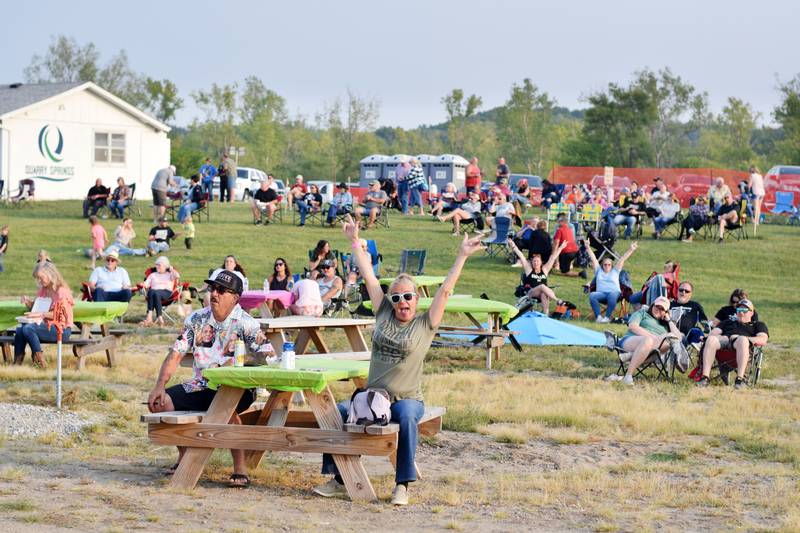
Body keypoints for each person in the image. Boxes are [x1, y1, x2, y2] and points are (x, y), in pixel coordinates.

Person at [314, 215, 485, 505]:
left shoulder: (424, 324)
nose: (401, 302)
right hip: (373, 397)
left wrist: (462, 256)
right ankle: (340, 477)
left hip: (407, 399)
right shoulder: (383, 312)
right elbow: (368, 275)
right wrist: (355, 241)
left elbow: (445, 290)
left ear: (416, 299)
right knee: (336, 413)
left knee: (406, 417)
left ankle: (402, 484)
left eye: (407, 297)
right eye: (396, 298)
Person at [147, 269, 273, 487]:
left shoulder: (247, 323)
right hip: (201, 385)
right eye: (213, 288)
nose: (215, 294)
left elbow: (269, 356)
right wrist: (160, 385)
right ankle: (186, 457)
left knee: (226, 407)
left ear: (235, 297)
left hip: (237, 388)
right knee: (161, 403)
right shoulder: (197, 319)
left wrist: (245, 362)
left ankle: (240, 467)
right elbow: (176, 353)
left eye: (221, 290)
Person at [696, 299, 768, 389]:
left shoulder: (758, 325)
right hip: (724, 344)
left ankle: (739, 379)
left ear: (751, 313)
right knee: (711, 340)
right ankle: (705, 378)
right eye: (739, 310)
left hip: (741, 345)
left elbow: (763, 339)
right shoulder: (728, 322)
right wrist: (718, 337)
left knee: (742, 340)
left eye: (744, 310)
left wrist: (741, 337)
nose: (741, 313)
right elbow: (713, 333)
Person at [13, 261, 74, 368]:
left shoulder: (61, 291)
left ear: (50, 274)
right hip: (46, 326)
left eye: (41, 278)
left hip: (61, 329)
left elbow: (60, 315)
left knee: (28, 329)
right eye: (37, 278)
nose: (39, 281)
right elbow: (37, 308)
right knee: (20, 329)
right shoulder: (43, 290)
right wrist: (28, 302)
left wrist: (39, 314)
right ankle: (18, 362)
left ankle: (40, 363)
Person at [616, 296, 682, 385]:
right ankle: (628, 376)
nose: (659, 310)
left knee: (668, 343)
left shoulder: (666, 325)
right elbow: (633, 326)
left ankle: (631, 356)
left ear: (666, 312)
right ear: (652, 305)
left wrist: (669, 320)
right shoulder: (642, 313)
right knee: (649, 340)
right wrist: (654, 338)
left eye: (662, 309)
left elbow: (678, 338)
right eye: (657, 306)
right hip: (631, 341)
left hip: (651, 351)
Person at [585, 238, 638, 322]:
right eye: (605, 265)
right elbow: (594, 259)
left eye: (609, 265)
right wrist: (588, 247)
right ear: (602, 265)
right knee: (592, 295)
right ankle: (598, 317)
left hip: (615, 295)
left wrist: (631, 249)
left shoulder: (615, 271)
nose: (607, 266)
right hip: (601, 294)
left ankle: (606, 318)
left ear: (611, 265)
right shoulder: (598, 271)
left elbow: (622, 259)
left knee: (612, 294)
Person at [508, 239, 568, 315]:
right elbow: (521, 256)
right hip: (530, 292)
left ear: (541, 263)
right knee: (542, 286)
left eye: (537, 261)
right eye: (534, 261)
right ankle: (557, 300)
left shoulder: (545, 270)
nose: (535, 263)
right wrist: (513, 246)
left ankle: (546, 315)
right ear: (532, 263)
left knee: (543, 293)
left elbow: (552, 258)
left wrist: (561, 247)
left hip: (542, 294)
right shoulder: (529, 270)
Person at [141, 256, 180, 327]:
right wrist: (142, 285)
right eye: (156, 265)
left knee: (155, 292)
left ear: (165, 266)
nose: (157, 267)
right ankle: (158, 318)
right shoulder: (152, 275)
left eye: (159, 265)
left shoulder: (170, 275)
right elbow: (146, 284)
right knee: (152, 291)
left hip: (166, 294)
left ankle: (150, 317)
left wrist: (172, 270)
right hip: (154, 294)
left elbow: (177, 276)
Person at [748, 166, 765, 235]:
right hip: (762, 193)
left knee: (755, 207)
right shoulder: (760, 176)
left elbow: (749, 185)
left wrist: (747, 190)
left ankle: (755, 220)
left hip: (756, 192)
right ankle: (757, 221)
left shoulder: (752, 176)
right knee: (759, 208)